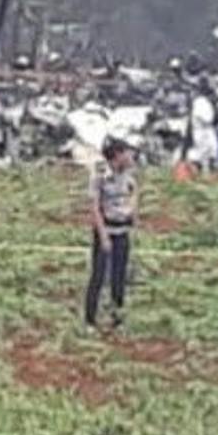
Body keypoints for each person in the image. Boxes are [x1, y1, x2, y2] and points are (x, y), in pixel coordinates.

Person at [85, 138, 137, 329]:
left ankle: (117, 317)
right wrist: (103, 236)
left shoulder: (128, 174)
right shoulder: (100, 175)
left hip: (122, 230)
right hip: (106, 230)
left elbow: (133, 192)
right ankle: (90, 320)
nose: (131, 156)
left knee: (119, 277)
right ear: (117, 155)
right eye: (127, 153)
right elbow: (94, 208)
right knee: (98, 276)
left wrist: (132, 213)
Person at [187, 87, 217, 174]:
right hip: (200, 129)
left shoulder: (207, 102)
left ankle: (209, 170)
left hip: (208, 129)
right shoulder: (200, 101)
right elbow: (202, 116)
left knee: (212, 149)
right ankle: (195, 169)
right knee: (201, 150)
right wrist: (208, 121)